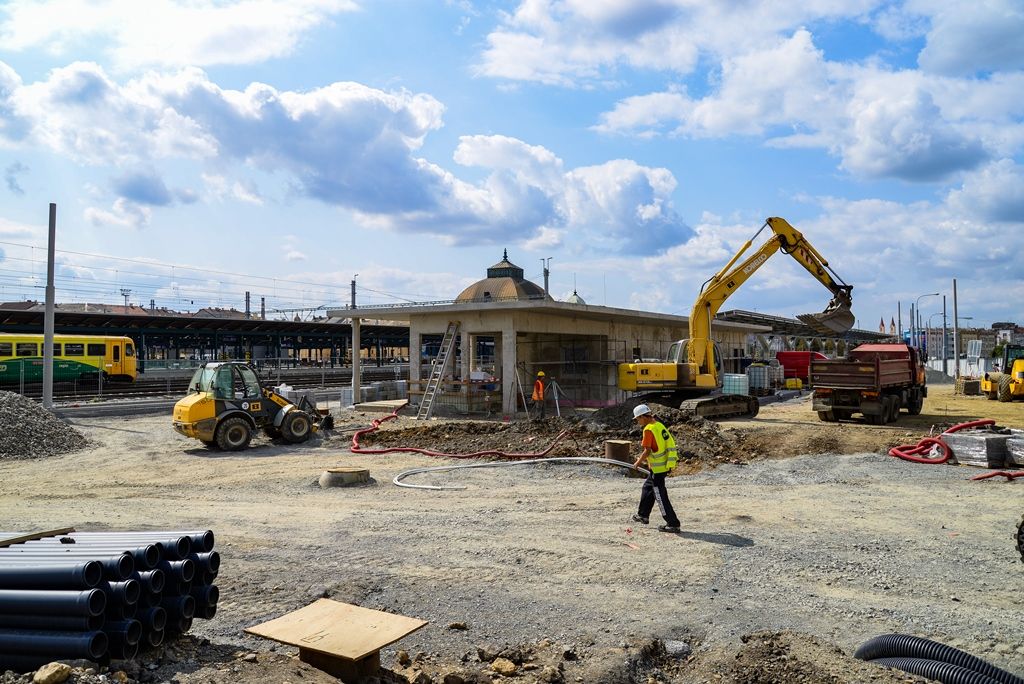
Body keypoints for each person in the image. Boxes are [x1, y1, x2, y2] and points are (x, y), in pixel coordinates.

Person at [630, 404, 681, 532]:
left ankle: (673, 523)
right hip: (664, 465)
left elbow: (647, 451)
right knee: (647, 487)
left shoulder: (648, 429)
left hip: (658, 469)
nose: (638, 422)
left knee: (660, 495)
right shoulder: (658, 425)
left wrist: (638, 462)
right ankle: (643, 515)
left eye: (638, 419)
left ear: (643, 416)